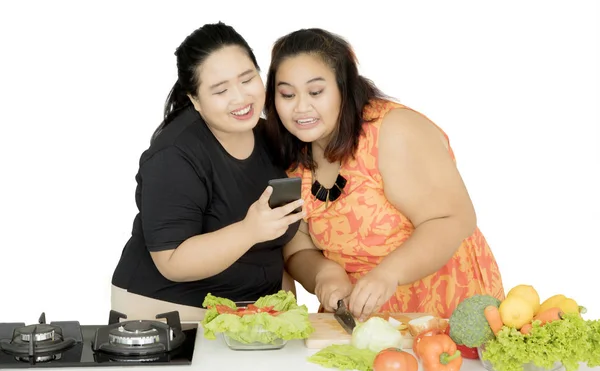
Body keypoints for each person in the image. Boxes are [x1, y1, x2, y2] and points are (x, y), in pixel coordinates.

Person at [264, 28, 505, 321]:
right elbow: (296, 246)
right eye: (287, 94)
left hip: (444, 304)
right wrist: (323, 274)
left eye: (316, 92)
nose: (301, 107)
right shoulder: (285, 153)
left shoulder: (392, 131)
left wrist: (389, 274)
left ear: (344, 85)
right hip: (358, 315)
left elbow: (454, 219)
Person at [110, 22, 304, 321]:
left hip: (251, 315)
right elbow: (172, 261)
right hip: (170, 314)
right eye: (221, 90)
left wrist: (285, 305)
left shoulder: (270, 136)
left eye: (247, 79)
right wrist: (249, 230)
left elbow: (276, 240)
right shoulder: (174, 155)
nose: (240, 98)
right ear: (194, 99)